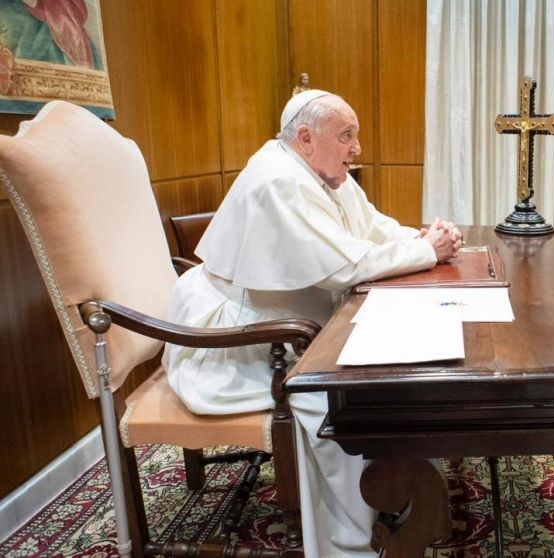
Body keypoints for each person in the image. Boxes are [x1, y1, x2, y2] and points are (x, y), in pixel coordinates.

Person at [163, 89, 462, 557]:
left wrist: (424, 238)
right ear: (305, 137)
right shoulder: (280, 179)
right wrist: (426, 251)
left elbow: (372, 229)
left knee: (379, 361)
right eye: (347, 136)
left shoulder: (323, 173)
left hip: (282, 321)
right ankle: (349, 543)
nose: (357, 148)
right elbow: (343, 265)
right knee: (333, 398)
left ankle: (392, 490)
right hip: (232, 340)